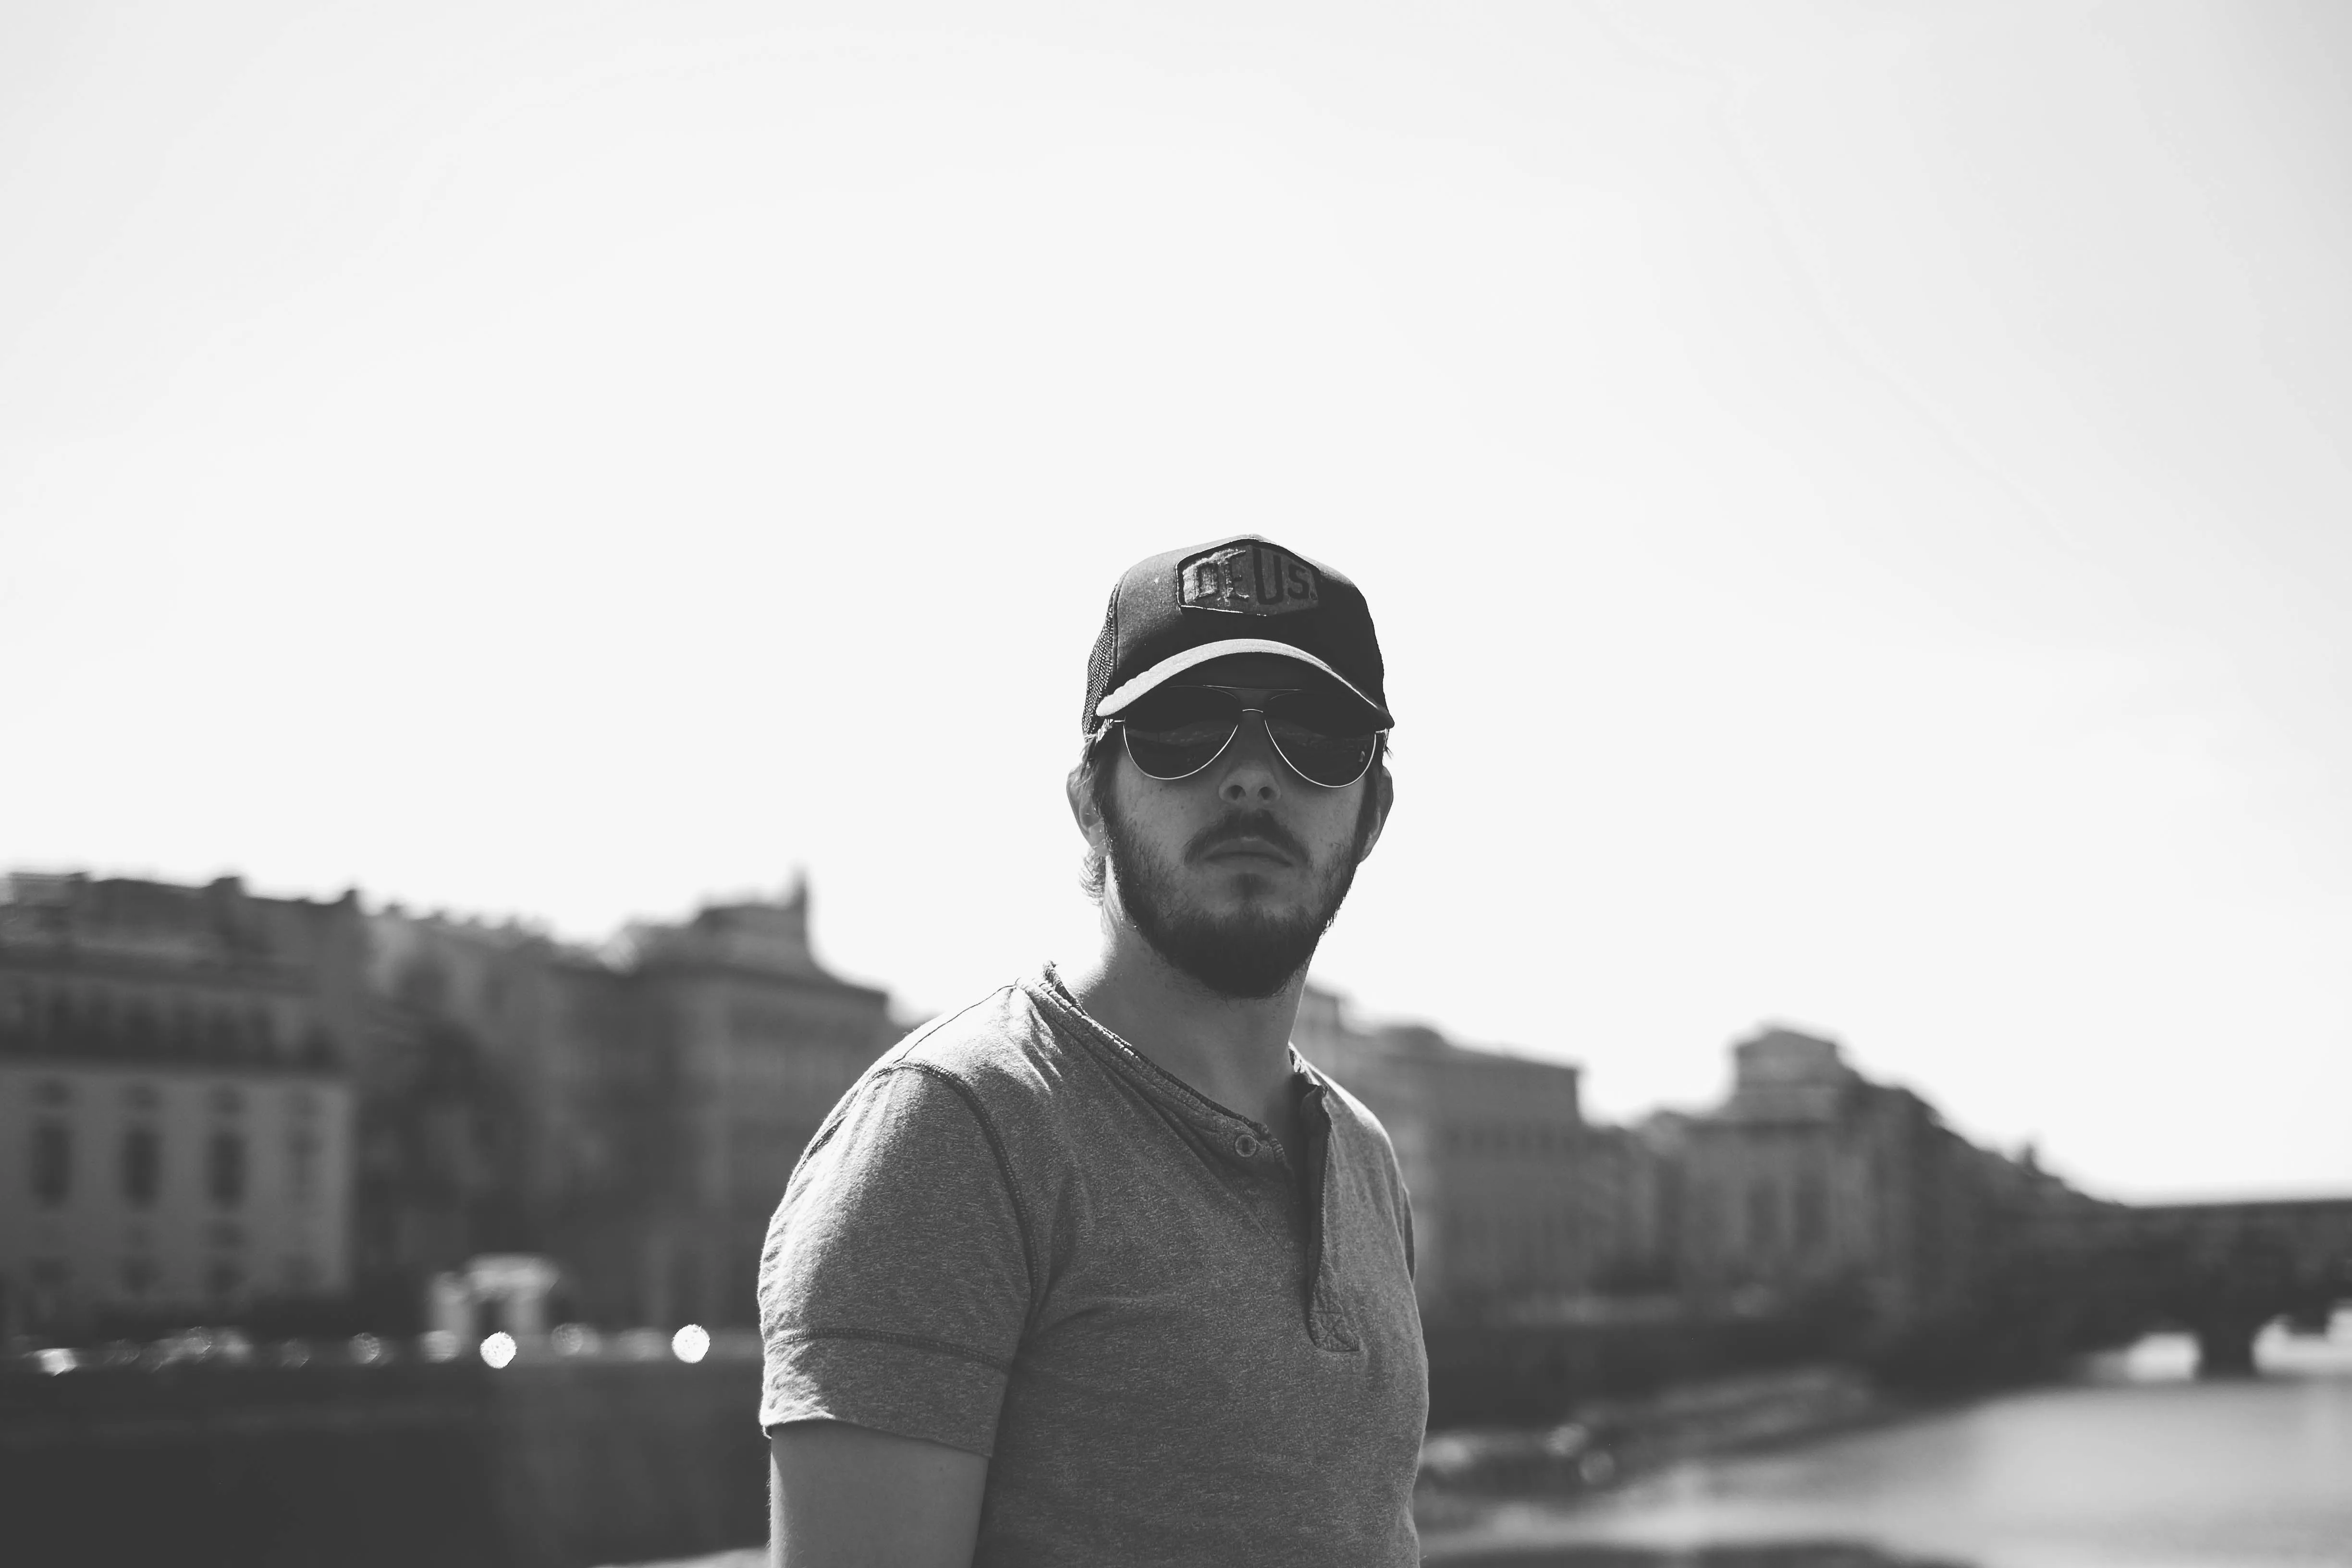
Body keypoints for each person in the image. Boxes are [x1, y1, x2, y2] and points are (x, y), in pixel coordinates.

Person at [758, 536, 1426, 1567]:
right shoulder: (955, 1136)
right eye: (1183, 730)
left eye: (1317, 735)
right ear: (1089, 804)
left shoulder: (1363, 1159)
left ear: (1373, 812)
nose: (1252, 776)